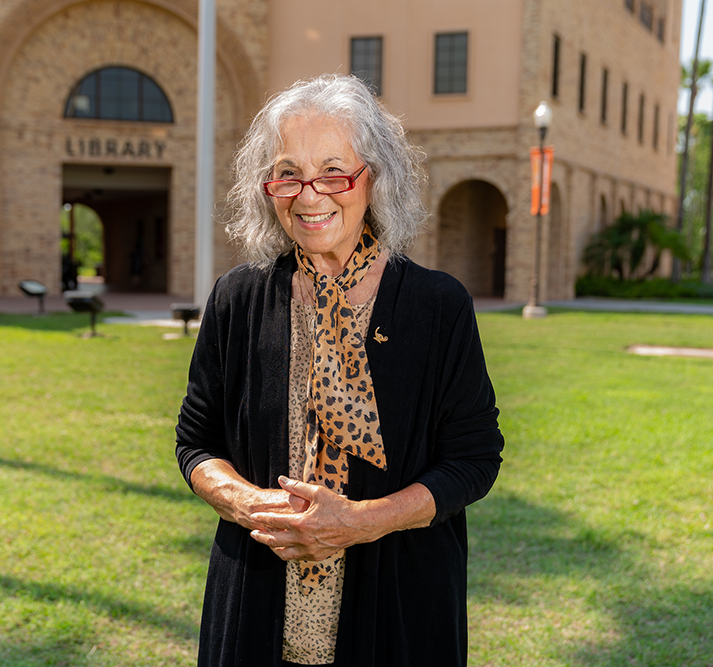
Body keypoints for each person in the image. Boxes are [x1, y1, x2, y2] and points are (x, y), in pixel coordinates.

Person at [175, 74, 504, 667]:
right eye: (288, 173)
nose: (310, 194)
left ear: (374, 177)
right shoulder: (238, 298)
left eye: (334, 171)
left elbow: (474, 459)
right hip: (253, 604)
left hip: (400, 613)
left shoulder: (437, 305)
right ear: (267, 186)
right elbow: (196, 444)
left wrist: (360, 522)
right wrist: (247, 503)